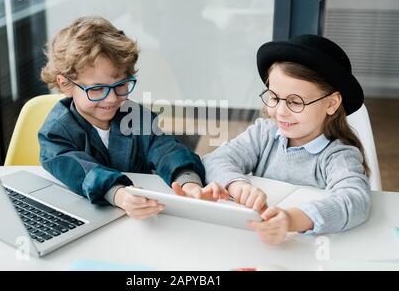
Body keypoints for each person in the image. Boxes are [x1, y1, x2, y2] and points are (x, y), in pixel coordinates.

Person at [39, 16, 223, 220]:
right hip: (88, 220)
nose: (111, 98)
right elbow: (80, 171)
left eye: (120, 85)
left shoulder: (135, 117)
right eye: (97, 88)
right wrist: (118, 194)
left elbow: (167, 150)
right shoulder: (55, 133)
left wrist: (188, 181)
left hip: (143, 219)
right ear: (66, 84)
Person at [202, 34, 371, 245]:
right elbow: (213, 160)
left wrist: (293, 219)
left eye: (295, 102)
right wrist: (236, 184)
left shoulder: (338, 155)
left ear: (331, 103)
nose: (280, 112)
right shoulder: (264, 133)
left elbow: (355, 201)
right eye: (274, 97)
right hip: (257, 243)